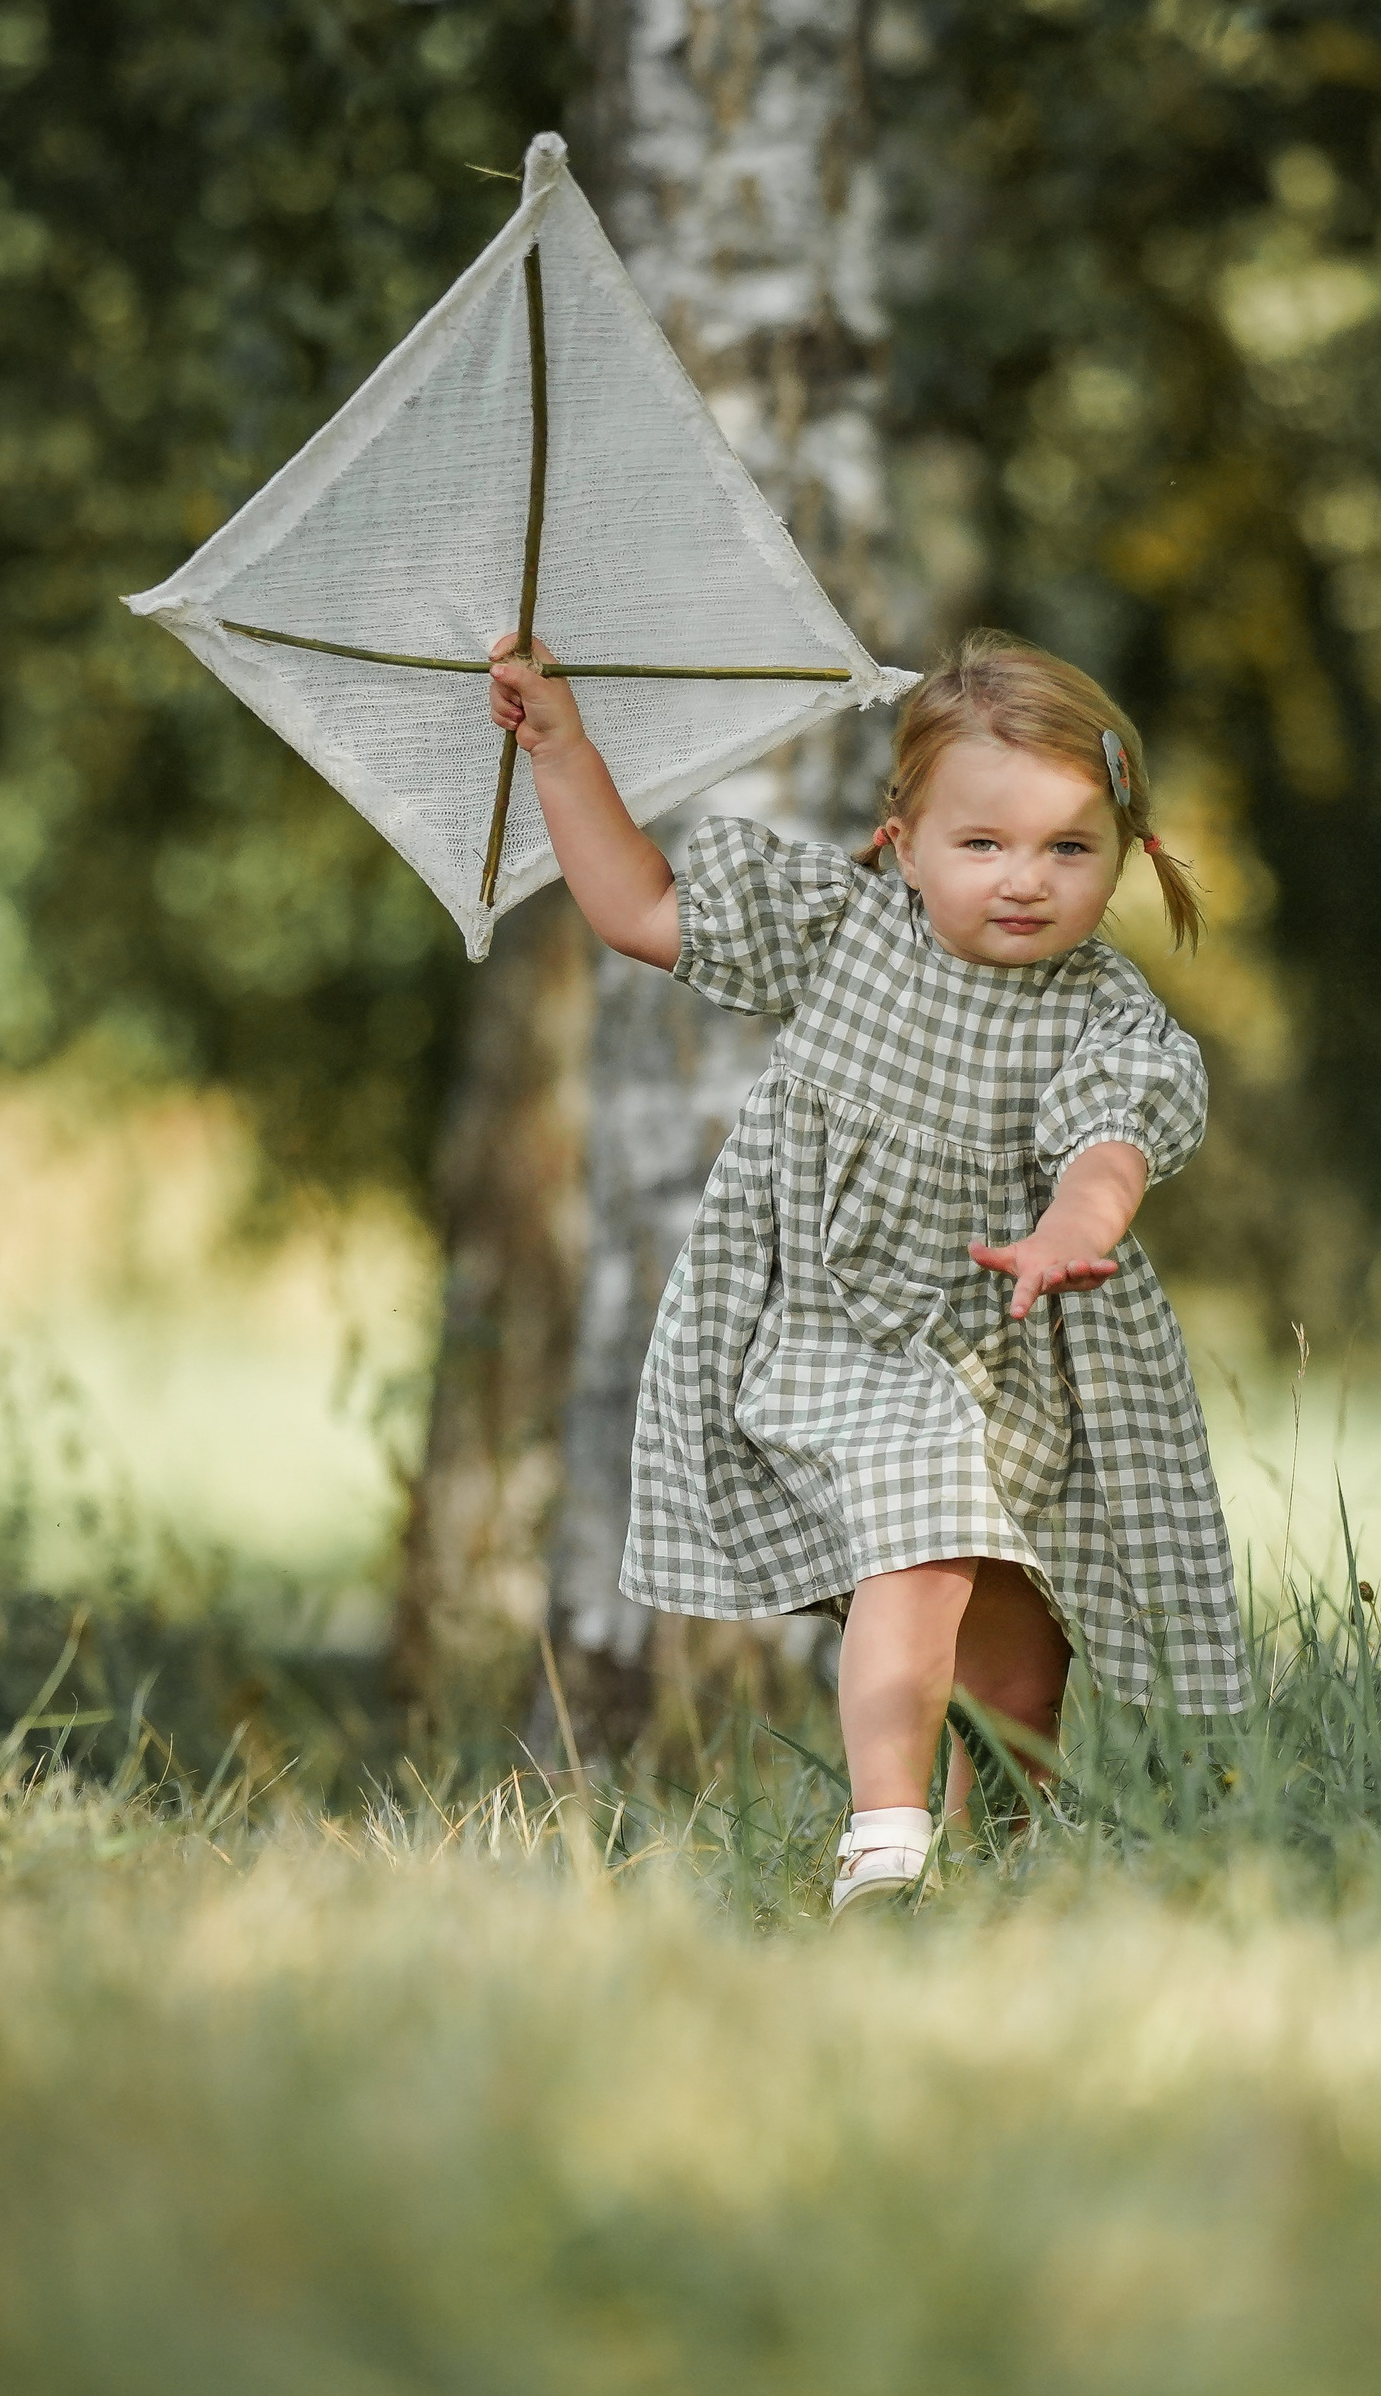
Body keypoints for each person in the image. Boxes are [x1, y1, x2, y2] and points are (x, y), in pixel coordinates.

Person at [488, 628, 1244, 1912]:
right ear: (901, 838)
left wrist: (1079, 1228)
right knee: (922, 1537)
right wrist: (561, 749)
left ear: (1127, 853)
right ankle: (883, 1844)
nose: (1027, 879)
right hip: (848, 1333)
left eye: (1070, 846)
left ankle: (997, 1867)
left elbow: (1112, 1141)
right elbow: (638, 908)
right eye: (984, 843)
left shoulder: (1103, 1015)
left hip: (1015, 1353)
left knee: (1013, 1672)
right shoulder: (843, 933)